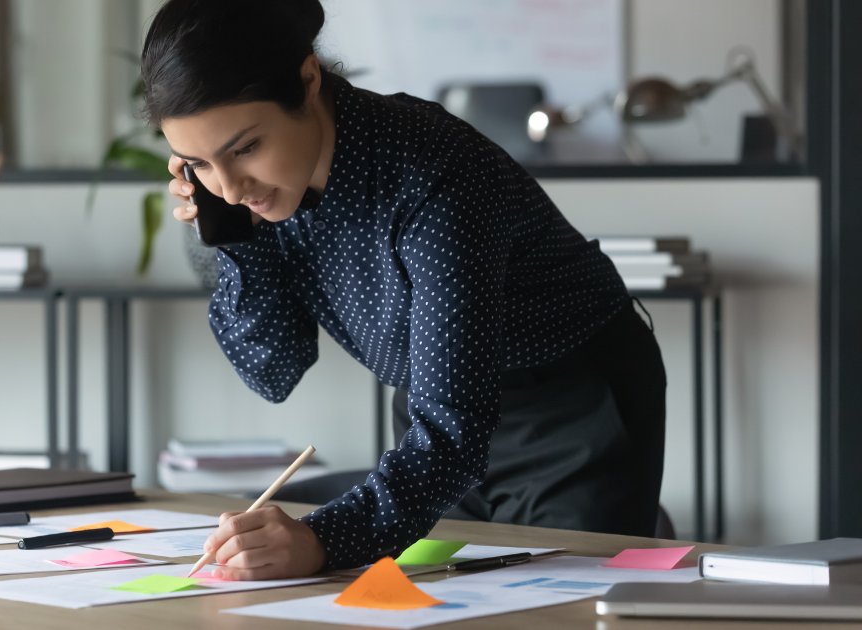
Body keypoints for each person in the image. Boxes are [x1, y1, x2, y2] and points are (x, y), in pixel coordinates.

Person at [142, 0, 667, 580]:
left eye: (244, 149)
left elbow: (454, 431)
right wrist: (233, 237)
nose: (230, 187)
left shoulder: (435, 170)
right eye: (198, 164)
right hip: (434, 417)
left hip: (568, 405)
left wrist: (320, 540)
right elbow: (272, 369)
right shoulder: (251, 197)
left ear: (308, 80)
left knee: (556, 605)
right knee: (437, 604)